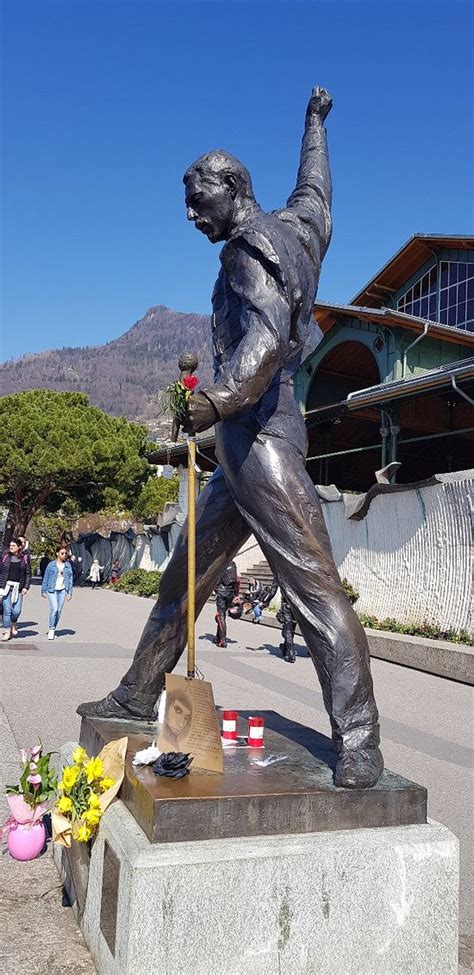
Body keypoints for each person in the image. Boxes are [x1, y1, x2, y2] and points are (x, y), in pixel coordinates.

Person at [78, 87, 383, 789]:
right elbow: (318, 191)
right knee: (185, 575)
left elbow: (268, 339)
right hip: (238, 451)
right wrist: (314, 124)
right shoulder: (298, 231)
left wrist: (217, 398)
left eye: (198, 200)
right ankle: (136, 689)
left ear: (232, 189)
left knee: (313, 590)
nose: (191, 214)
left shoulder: (250, 250)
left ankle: (360, 740)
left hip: (263, 439)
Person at [0, 538, 31, 641]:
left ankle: (14, 623)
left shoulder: (24, 559)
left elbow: (28, 573)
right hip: (6, 587)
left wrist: (26, 587)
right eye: (10, 545)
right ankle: (6, 631)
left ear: (19, 547)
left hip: (18, 588)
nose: (11, 547)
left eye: (13, 545)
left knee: (17, 611)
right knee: (7, 610)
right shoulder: (5, 556)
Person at [41, 545, 73, 640]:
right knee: (54, 609)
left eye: (65, 553)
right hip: (52, 590)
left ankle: (54, 628)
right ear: (57, 553)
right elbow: (46, 577)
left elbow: (70, 579)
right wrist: (43, 590)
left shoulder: (68, 565)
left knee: (59, 611)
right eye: (62, 553)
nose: (64, 555)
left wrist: (69, 592)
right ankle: (51, 630)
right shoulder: (51, 565)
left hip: (62, 590)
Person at [214, 561, 238, 647]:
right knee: (222, 616)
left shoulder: (222, 564)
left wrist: (215, 590)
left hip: (222, 592)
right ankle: (218, 637)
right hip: (230, 593)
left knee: (220, 616)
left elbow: (216, 579)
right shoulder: (233, 564)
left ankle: (223, 641)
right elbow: (238, 580)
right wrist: (236, 594)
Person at [277, 595, 297, 663]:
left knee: (286, 632)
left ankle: (291, 655)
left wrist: (262, 602)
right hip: (296, 607)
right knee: (290, 631)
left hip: (287, 606)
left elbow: (272, 592)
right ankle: (285, 650)